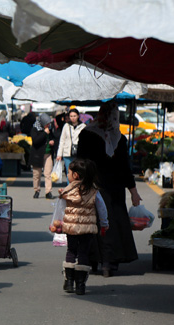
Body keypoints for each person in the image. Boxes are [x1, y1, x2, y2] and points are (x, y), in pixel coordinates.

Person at [76, 102, 142, 277]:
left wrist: (79, 183)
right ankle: (109, 263)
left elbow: (79, 162)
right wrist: (133, 191)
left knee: (93, 223)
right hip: (114, 191)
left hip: (93, 186)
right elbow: (124, 168)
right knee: (111, 223)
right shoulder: (118, 138)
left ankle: (92, 260)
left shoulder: (87, 134)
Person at [58, 158, 108, 295]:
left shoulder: (68, 190)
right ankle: (80, 285)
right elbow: (102, 209)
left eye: (68, 172)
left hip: (71, 227)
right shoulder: (94, 191)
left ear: (75, 175)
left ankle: (69, 282)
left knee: (71, 251)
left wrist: (58, 222)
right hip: (87, 229)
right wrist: (104, 224)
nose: (67, 175)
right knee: (83, 253)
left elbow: (61, 208)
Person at [29, 113, 55, 199]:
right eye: (47, 123)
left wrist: (52, 141)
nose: (48, 125)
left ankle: (48, 192)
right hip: (37, 154)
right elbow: (35, 141)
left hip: (47, 154)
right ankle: (36, 190)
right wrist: (44, 133)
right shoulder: (35, 129)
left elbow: (52, 138)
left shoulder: (50, 129)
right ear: (42, 122)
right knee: (37, 174)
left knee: (48, 174)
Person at [57, 109, 86, 174]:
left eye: (74, 116)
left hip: (78, 152)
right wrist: (59, 154)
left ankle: (76, 184)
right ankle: (70, 184)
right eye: (71, 116)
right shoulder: (66, 126)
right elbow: (62, 140)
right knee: (69, 172)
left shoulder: (83, 126)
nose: (73, 118)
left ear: (78, 116)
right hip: (67, 152)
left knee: (78, 172)